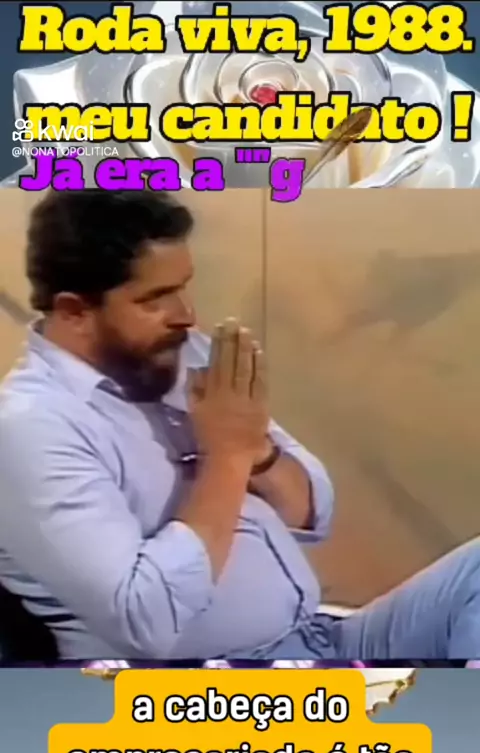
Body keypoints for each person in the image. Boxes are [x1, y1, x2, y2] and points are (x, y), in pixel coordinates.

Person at [0, 190, 479, 662]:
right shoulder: (33, 429)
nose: (187, 315)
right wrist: (227, 457)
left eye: (183, 287)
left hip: (315, 637)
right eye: (156, 298)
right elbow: (146, 620)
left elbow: (312, 514)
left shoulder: (181, 355)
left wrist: (259, 454)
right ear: (75, 312)